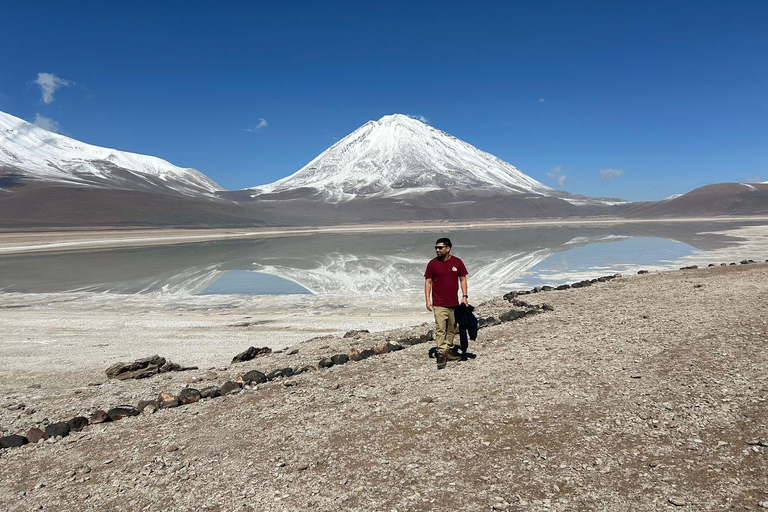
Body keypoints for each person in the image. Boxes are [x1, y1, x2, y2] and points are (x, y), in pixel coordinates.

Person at [424, 237, 468, 369]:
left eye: (440, 248)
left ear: (448, 248)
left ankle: (449, 350)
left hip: (453, 303)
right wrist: (427, 299)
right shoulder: (432, 264)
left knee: (451, 329)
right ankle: (441, 353)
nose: (437, 250)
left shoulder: (457, 262)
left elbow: (463, 279)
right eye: (436, 248)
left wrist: (464, 296)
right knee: (440, 329)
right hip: (439, 304)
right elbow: (428, 281)